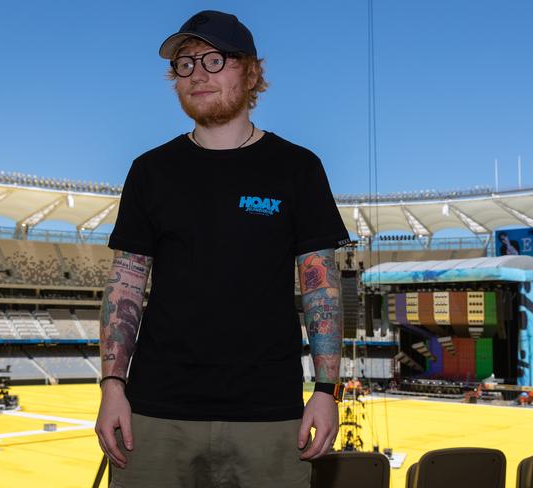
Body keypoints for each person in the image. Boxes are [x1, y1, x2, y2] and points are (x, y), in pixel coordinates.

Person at [95, 10, 350, 487]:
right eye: (185, 64)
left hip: (270, 416)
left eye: (214, 59)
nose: (198, 74)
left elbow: (322, 287)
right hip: (155, 414)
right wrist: (113, 385)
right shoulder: (151, 171)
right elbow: (125, 284)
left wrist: (326, 388)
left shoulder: (297, 168)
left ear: (250, 71)